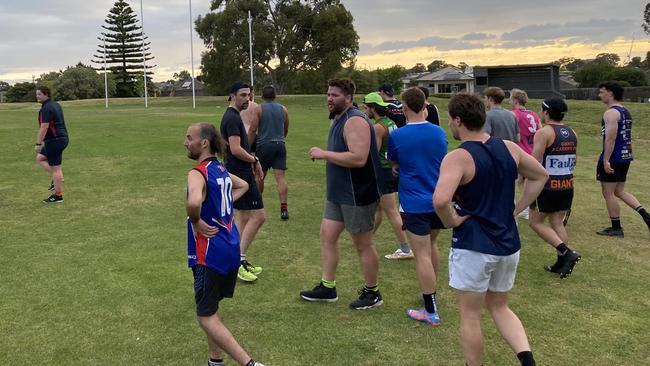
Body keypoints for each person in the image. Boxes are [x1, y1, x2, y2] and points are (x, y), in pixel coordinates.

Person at [433, 93, 548, 366]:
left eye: (450, 119)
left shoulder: (458, 156)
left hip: (474, 245)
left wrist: (451, 220)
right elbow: (540, 174)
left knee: (470, 315)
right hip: (508, 244)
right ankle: (527, 360)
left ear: (458, 120)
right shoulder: (509, 147)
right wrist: (518, 208)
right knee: (499, 305)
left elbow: (439, 200)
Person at [300, 78, 385, 310]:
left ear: (348, 98)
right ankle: (328, 287)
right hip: (338, 193)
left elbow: (359, 158)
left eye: (335, 95)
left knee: (363, 244)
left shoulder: (355, 120)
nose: (329, 98)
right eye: (328, 94)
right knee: (327, 236)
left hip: (357, 193)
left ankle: (373, 292)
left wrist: (324, 154)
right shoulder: (338, 118)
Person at [184, 123, 265, 366]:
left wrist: (196, 221)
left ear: (204, 143)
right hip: (230, 247)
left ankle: (249, 364)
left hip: (209, 253)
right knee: (213, 308)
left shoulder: (197, 172)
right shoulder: (219, 168)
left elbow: (194, 202)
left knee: (205, 316)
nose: (185, 142)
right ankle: (215, 361)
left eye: (189, 138)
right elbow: (244, 185)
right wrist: (223, 202)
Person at [387, 87, 448, 325]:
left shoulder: (398, 136)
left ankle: (430, 309)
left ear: (404, 108)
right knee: (432, 245)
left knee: (421, 253)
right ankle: (430, 294)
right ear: (424, 105)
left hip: (414, 202)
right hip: (437, 199)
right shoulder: (438, 133)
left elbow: (394, 161)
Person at [528, 98, 581, 278]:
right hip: (566, 184)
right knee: (557, 223)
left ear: (546, 112)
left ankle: (566, 253)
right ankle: (561, 261)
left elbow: (535, 162)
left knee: (535, 222)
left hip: (547, 187)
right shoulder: (572, 132)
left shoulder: (544, 133)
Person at [220, 82, 266, 282]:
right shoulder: (231, 118)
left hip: (239, 170)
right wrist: (254, 160)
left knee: (244, 216)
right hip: (240, 172)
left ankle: (234, 259)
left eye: (249, 95)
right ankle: (238, 260)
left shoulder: (234, 116)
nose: (247, 99)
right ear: (232, 96)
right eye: (242, 95)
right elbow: (236, 149)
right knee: (259, 216)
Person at [361, 92, 413, 260]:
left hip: (383, 171)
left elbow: (374, 154)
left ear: (373, 108)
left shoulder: (377, 127)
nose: (364, 110)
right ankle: (367, 239)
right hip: (389, 169)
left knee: (391, 211)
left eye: (366, 107)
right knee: (378, 208)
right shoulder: (389, 122)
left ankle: (405, 249)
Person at [595, 81, 650, 237]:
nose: (600, 95)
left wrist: (606, 160)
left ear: (610, 93)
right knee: (619, 191)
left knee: (608, 193)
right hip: (625, 155)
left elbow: (610, 138)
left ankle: (616, 227)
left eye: (602, 92)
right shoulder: (625, 111)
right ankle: (646, 215)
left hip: (614, 157)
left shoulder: (611, 113)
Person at [247, 85, 290, 220]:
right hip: (280, 145)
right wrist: (280, 139)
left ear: (262, 96)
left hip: (264, 146)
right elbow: (286, 128)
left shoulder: (259, 109)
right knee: (281, 178)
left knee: (259, 175)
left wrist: (247, 146)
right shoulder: (283, 109)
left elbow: (253, 129)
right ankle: (284, 208)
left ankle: (257, 205)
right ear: (275, 95)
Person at [510, 88, 541, 220]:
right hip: (533, 149)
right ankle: (528, 206)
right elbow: (540, 130)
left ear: (515, 100)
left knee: (521, 181)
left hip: (522, 150)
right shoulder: (533, 114)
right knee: (523, 180)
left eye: (511, 98)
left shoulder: (514, 114)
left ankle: (528, 207)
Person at [35, 85, 69, 203]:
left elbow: (44, 127)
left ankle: (58, 196)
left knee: (56, 169)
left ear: (46, 94)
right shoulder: (55, 104)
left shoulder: (46, 108)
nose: (37, 96)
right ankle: (58, 178)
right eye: (37, 94)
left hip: (55, 140)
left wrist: (38, 144)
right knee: (40, 158)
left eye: (39, 94)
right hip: (60, 138)